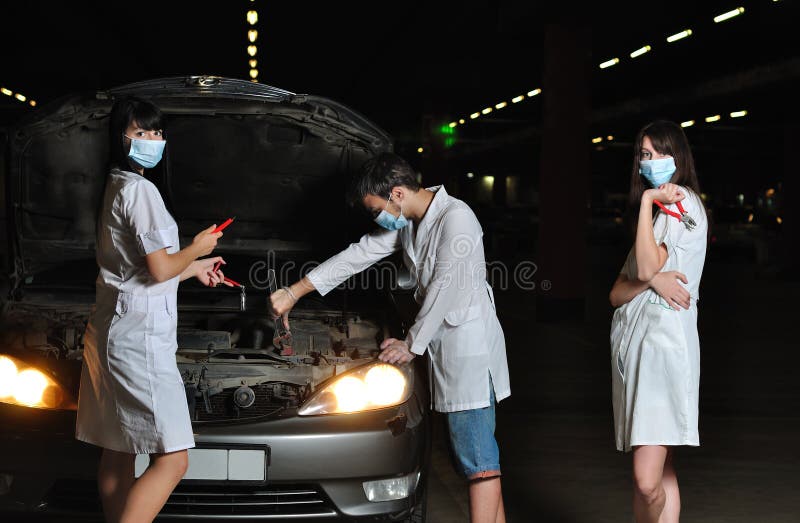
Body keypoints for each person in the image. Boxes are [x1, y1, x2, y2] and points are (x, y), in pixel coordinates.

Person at [269, 152, 511, 523]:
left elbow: (445, 286)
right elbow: (359, 254)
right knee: (478, 462)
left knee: (479, 463)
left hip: (470, 352)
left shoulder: (456, 219)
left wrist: (411, 344)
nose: (375, 217)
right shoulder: (410, 221)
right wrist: (294, 292)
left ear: (397, 193)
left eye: (375, 209)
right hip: (448, 349)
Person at [76, 96, 231, 523]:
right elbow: (161, 267)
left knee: (119, 449)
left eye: (157, 132)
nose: (152, 140)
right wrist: (197, 247)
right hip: (138, 341)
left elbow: (137, 271)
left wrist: (193, 268)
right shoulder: (142, 191)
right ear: (120, 137)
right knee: (175, 459)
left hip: (111, 331)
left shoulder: (115, 184)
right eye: (140, 132)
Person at [609, 120, 708, 523]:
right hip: (641, 353)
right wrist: (653, 283)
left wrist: (649, 199)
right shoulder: (657, 218)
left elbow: (647, 265)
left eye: (658, 153)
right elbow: (616, 292)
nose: (650, 162)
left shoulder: (677, 202)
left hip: (664, 353)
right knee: (662, 472)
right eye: (644, 155)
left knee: (645, 480)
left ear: (678, 157)